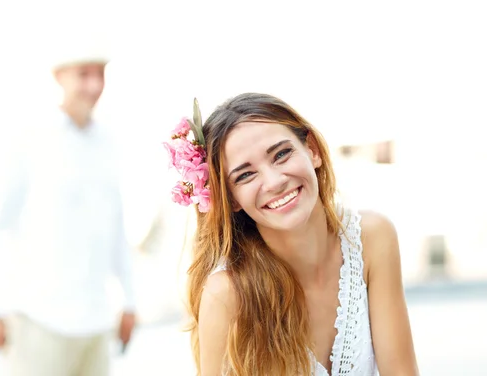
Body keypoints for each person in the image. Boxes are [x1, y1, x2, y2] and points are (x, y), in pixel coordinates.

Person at [164, 93, 418, 375]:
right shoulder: (226, 293)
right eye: (245, 175)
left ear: (312, 150)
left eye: (281, 154)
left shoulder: (371, 238)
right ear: (231, 199)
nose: (274, 182)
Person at [0, 33, 136, 376]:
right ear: (59, 76)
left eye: (100, 74)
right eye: (83, 74)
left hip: (96, 324)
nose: (94, 85)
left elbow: (115, 227)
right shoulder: (25, 139)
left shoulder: (108, 141)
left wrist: (129, 301)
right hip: (37, 323)